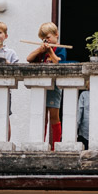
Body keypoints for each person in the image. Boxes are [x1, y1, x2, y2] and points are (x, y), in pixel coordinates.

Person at [26, 21, 67, 149]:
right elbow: (29, 58)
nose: (46, 40)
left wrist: (50, 51)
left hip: (54, 86)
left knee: (54, 115)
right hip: (41, 86)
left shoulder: (60, 48)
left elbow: (57, 62)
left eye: (48, 37)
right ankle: (41, 144)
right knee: (42, 116)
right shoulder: (42, 50)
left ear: (56, 35)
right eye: (44, 39)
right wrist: (40, 49)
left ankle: (55, 146)